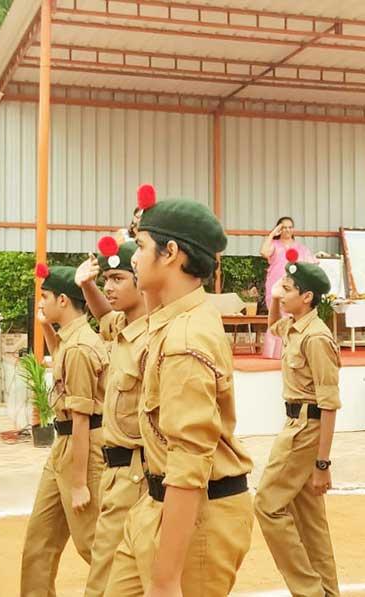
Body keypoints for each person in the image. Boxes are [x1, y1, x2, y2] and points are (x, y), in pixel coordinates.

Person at [105, 185, 254, 596]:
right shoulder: (168, 319)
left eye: (141, 245)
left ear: (170, 253)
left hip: (197, 516)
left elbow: (189, 463)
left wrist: (166, 580)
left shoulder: (186, 338)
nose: (133, 256)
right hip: (155, 506)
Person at [21, 264, 109, 597]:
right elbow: (60, 360)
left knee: (93, 546)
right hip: (65, 444)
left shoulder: (80, 348)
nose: (39, 304)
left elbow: (82, 418)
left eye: (44, 298)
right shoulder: (71, 342)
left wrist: (79, 484)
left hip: (82, 447)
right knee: (39, 542)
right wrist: (46, 328)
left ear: (62, 299)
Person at [255, 250, 340, 596]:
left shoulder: (316, 337)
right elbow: (274, 325)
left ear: (306, 297)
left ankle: (309, 590)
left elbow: (329, 405)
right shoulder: (295, 326)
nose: (282, 291)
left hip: (306, 429)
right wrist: (275, 298)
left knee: (267, 505)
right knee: (309, 520)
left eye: (288, 288)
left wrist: (322, 464)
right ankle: (328, 593)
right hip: (297, 425)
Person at [74, 239, 149, 597]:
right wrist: (87, 285)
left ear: (142, 279)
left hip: (138, 471)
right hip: (116, 469)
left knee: (104, 579)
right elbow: (104, 316)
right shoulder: (121, 325)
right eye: (106, 279)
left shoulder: (154, 334)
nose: (109, 286)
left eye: (118, 278)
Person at [260, 216, 316, 359]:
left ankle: (290, 350)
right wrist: (272, 233)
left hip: (294, 287)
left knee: (291, 315)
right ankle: (273, 353)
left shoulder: (301, 247)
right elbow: (264, 252)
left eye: (290, 227)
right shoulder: (274, 244)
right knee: (277, 315)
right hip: (276, 285)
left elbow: (312, 264)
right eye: (283, 227)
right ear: (279, 229)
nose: (287, 230)